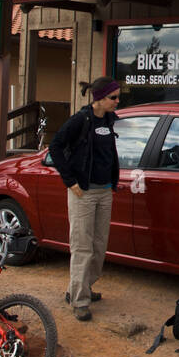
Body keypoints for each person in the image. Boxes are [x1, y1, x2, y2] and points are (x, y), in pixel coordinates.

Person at [49, 77, 122, 321]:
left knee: (99, 246)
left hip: (104, 191)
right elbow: (55, 147)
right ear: (99, 98)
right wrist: (70, 182)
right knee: (82, 247)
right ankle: (79, 300)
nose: (117, 102)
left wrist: (112, 181)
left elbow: (108, 153)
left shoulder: (109, 120)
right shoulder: (81, 120)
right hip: (84, 192)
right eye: (113, 97)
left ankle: (81, 287)